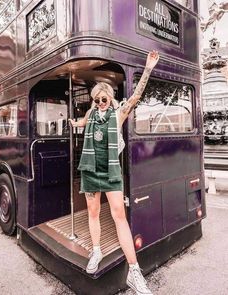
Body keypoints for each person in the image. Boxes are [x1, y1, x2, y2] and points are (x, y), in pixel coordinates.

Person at [70, 51, 159, 295]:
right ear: (93, 100)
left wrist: (148, 69)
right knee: (93, 212)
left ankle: (134, 271)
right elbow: (81, 122)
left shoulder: (118, 115)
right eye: (96, 100)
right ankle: (96, 250)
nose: (100, 103)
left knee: (119, 215)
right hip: (90, 170)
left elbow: (137, 96)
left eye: (104, 100)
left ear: (110, 99)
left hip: (110, 172)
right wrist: (72, 123)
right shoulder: (90, 116)